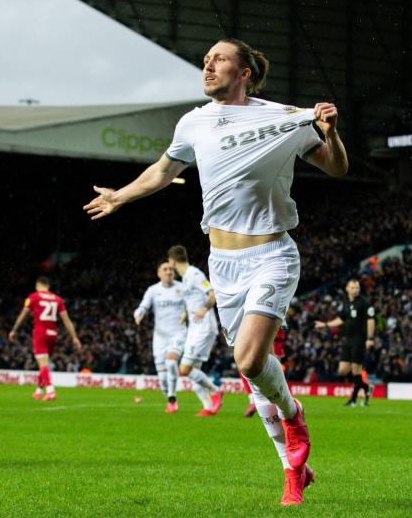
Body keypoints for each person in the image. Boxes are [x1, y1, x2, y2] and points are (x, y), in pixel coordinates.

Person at [84, 38, 348, 505]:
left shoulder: (284, 118)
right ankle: (293, 469)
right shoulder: (193, 122)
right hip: (222, 263)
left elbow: (337, 169)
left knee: (249, 361)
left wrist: (330, 131)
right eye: (205, 61)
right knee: (253, 375)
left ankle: (294, 415)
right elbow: (164, 170)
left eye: (219, 60)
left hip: (271, 254)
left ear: (245, 72)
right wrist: (121, 196)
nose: (207, 66)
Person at [167, 245, 223, 416]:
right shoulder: (185, 280)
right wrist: (185, 314)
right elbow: (193, 301)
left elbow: (212, 294)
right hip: (194, 327)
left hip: (204, 327)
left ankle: (216, 391)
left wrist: (204, 309)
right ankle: (208, 407)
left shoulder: (195, 274)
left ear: (172, 261)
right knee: (194, 371)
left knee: (184, 369)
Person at [9, 276, 82, 401]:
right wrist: (74, 337)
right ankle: (38, 391)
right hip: (53, 334)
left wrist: (14, 330)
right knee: (44, 365)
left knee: (43, 365)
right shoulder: (58, 299)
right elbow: (66, 320)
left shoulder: (34, 297)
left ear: (38, 285)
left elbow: (23, 315)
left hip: (40, 333)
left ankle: (50, 391)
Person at [133, 261, 188, 413]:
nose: (169, 271)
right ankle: (169, 398)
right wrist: (139, 314)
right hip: (160, 337)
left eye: (171, 269)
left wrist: (187, 314)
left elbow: (192, 305)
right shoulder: (153, 290)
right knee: (162, 378)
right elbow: (143, 306)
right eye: (165, 269)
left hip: (178, 333)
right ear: (159, 273)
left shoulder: (182, 288)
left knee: (171, 362)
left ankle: (172, 397)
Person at [314, 278, 375, 407]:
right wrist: (324, 324)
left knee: (355, 370)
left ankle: (353, 400)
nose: (355, 290)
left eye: (357, 287)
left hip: (359, 339)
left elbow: (371, 321)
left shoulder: (364, 303)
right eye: (353, 287)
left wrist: (370, 339)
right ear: (347, 289)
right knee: (342, 371)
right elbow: (341, 319)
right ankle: (366, 387)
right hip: (348, 339)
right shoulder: (346, 302)